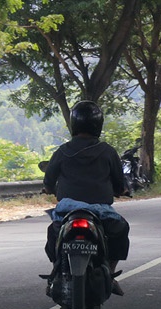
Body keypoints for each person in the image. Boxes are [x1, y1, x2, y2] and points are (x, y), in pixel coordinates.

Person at [41, 100, 130, 291]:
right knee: (120, 229)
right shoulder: (108, 151)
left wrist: (48, 188)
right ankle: (111, 274)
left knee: (53, 232)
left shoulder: (62, 151)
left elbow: (49, 180)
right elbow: (119, 182)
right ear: (98, 124)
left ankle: (56, 270)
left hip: (68, 209)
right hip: (100, 211)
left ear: (74, 123)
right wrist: (121, 190)